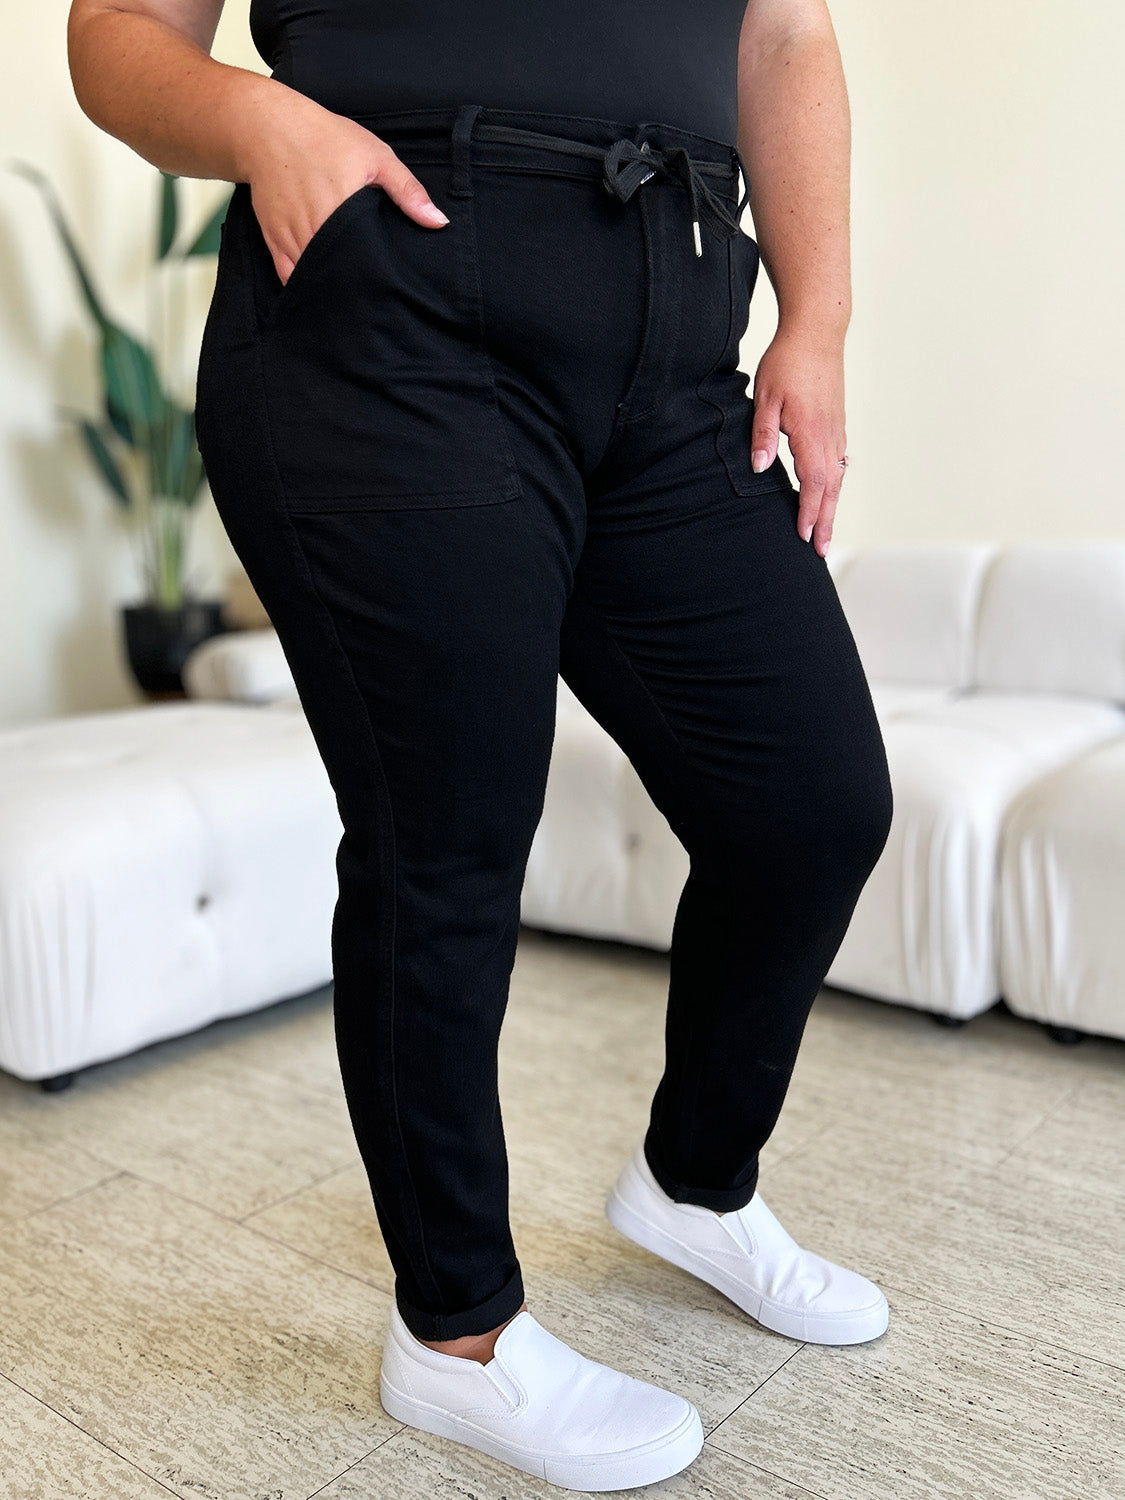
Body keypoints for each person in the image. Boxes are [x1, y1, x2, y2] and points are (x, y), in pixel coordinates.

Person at [68, 0, 894, 1489]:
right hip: (394, 322)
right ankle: (453, 1333)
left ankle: (693, 1185)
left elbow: (783, 36)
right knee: (442, 840)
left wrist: (815, 318)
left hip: (675, 328)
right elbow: (117, 35)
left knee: (812, 803)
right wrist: (265, 123)